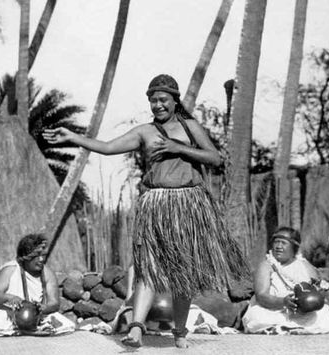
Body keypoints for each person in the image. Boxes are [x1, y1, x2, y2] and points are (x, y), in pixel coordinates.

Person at [43, 74, 248, 348]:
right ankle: (136, 329)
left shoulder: (190, 127)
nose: (158, 105)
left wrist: (178, 148)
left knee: (183, 272)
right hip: (156, 204)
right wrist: (73, 137)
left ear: (175, 101)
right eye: (153, 101)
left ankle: (180, 333)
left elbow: (215, 158)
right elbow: (106, 147)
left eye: (163, 100)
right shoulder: (144, 132)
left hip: (189, 204)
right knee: (148, 267)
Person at [242, 226, 329, 334]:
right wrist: (283, 302)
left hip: (301, 313)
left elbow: (317, 288)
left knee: (323, 316)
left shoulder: (305, 266)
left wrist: (314, 297)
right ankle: (285, 327)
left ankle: (292, 327)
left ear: (294, 248)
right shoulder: (266, 265)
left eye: (283, 243)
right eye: (276, 242)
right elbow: (261, 296)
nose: (278, 247)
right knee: (258, 318)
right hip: (272, 310)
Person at [0, 234, 74, 336]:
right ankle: (16, 329)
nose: (41, 260)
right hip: (8, 315)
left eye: (43, 255)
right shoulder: (9, 270)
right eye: (37, 256)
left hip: (36, 317)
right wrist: (10, 298)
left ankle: (30, 328)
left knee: (63, 322)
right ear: (26, 257)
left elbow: (54, 303)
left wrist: (43, 308)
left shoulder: (47, 274)